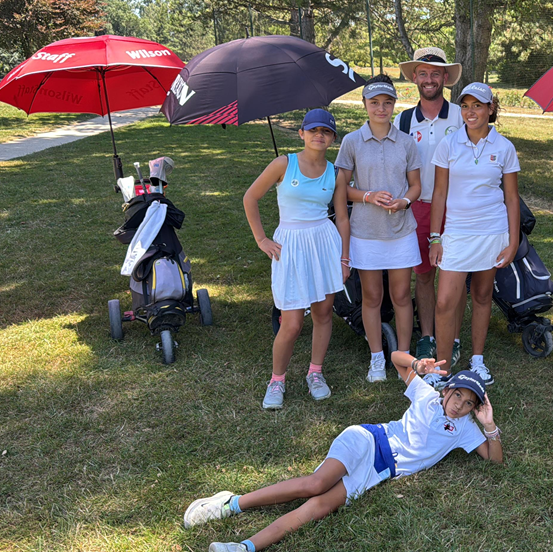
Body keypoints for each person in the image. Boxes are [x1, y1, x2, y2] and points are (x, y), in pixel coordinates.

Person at [182, 352, 503, 552]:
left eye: (469, 403)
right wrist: (417, 364)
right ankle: (230, 503)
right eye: (458, 396)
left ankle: (244, 547)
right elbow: (394, 358)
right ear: (447, 390)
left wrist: (489, 425)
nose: (460, 405)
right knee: (315, 484)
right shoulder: (426, 394)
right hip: (368, 439)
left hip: (378, 471)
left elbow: (495, 459)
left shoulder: (465, 429)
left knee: (317, 508)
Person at [243, 109, 350, 409]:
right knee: (290, 323)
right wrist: (262, 239)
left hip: (324, 244)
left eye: (326, 131)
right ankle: (277, 379)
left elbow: (342, 218)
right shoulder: (283, 164)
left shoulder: (335, 173)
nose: (319, 135)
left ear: (332, 138)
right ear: (301, 133)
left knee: (323, 313)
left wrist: (344, 258)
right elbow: (250, 198)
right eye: (313, 130)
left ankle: (315, 373)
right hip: (290, 244)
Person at [429, 83, 521, 386]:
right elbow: (439, 193)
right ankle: (442, 371)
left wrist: (513, 240)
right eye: (466, 105)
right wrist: (435, 237)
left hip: (492, 232)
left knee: (482, 296)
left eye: (478, 105)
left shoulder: (504, 147)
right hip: (456, 233)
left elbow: (511, 198)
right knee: (445, 302)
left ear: (491, 108)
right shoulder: (449, 144)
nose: (471, 112)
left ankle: (477, 361)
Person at [336, 75, 422, 382]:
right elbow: (341, 188)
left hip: (400, 230)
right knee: (371, 297)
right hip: (365, 231)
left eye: (387, 103)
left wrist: (404, 202)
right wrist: (368, 196)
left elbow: (415, 186)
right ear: (365, 105)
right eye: (375, 103)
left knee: (401, 296)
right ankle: (376, 357)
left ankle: (404, 360)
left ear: (394, 105)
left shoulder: (407, 142)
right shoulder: (351, 142)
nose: (381, 109)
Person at [395, 47, 466, 378]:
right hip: (419, 205)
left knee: (456, 275)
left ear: (446, 78)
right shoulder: (404, 120)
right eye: (422, 73)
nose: (429, 79)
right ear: (414, 78)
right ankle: (426, 337)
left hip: (459, 208)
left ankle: (453, 335)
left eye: (435, 73)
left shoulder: (460, 115)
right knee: (423, 274)